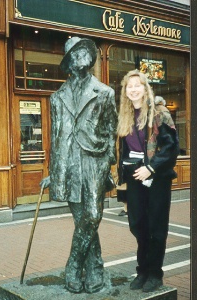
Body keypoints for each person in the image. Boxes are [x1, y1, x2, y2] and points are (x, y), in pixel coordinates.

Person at [40, 37, 117, 294]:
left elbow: (111, 130)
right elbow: (56, 136)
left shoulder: (105, 92)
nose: (82, 54)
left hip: (95, 162)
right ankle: (95, 269)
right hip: (69, 165)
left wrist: (108, 162)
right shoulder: (57, 97)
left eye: (85, 50)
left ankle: (72, 266)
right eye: (76, 52)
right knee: (81, 220)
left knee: (92, 216)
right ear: (69, 62)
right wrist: (54, 172)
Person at [117, 69, 179, 293]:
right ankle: (142, 270)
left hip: (157, 177)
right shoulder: (125, 114)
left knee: (156, 227)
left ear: (145, 88)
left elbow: (171, 147)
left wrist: (151, 168)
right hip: (134, 176)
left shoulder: (159, 113)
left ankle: (154, 274)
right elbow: (124, 148)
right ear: (125, 91)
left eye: (137, 85)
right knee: (138, 225)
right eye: (129, 86)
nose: (133, 89)